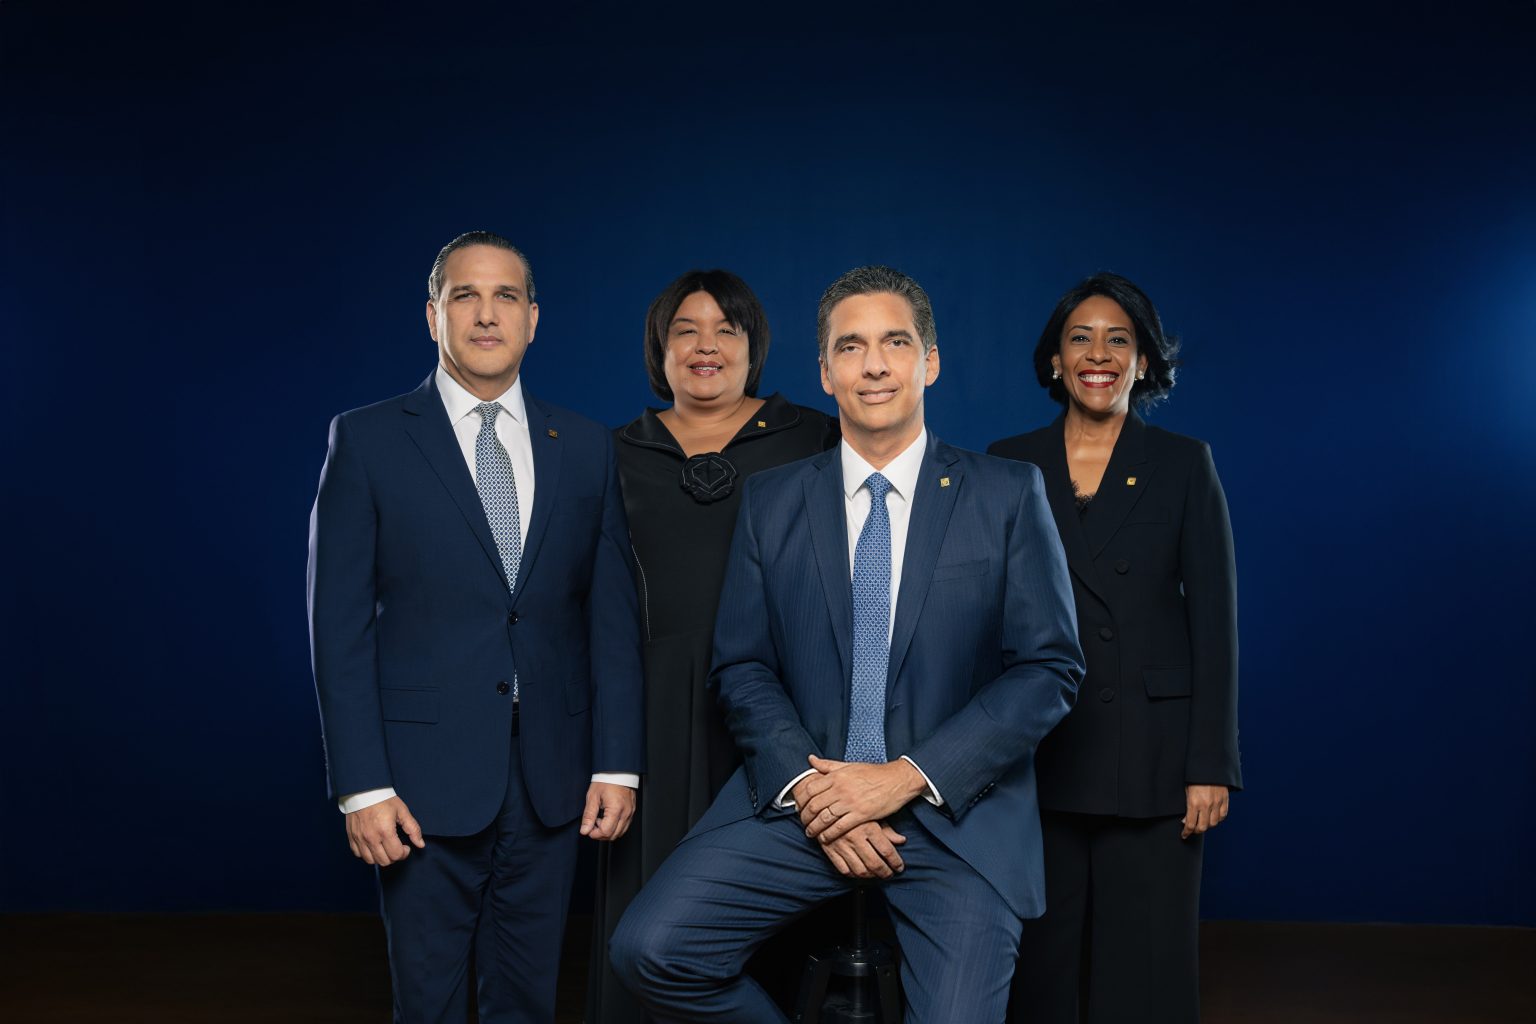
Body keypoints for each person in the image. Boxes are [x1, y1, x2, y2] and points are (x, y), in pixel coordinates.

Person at [610, 265, 1085, 1023]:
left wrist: (905, 778)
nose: (874, 366)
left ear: (930, 362)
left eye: (895, 343)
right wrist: (815, 791)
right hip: (805, 803)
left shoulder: (1005, 493)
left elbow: (1049, 668)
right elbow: (743, 666)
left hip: (956, 817)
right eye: (850, 347)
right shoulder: (773, 501)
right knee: (651, 949)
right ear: (825, 372)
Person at [308, 231, 643, 1022]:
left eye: (505, 297)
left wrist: (617, 765)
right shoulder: (368, 440)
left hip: (553, 781)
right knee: (428, 1003)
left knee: (527, 1001)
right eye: (465, 296)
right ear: (434, 316)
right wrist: (363, 787)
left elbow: (611, 618)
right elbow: (338, 629)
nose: (487, 315)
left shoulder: (585, 446)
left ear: (533, 319)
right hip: (417, 785)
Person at [987, 272, 1242, 1023]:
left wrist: (1210, 765)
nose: (1098, 354)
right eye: (1080, 339)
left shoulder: (1184, 462)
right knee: (1041, 969)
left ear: (1143, 361)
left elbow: (1216, 623)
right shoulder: (1008, 462)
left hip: (1155, 755)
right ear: (1056, 360)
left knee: (1147, 970)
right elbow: (981, 619)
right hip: (1038, 752)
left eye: (1118, 340)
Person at [587, 270, 837, 1022]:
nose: (707, 346)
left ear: (754, 346)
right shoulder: (611, 452)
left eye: (727, 329)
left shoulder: (818, 437)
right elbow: (595, 605)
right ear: (658, 349)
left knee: (774, 904)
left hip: (784, 708)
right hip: (654, 714)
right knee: (651, 907)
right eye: (685, 330)